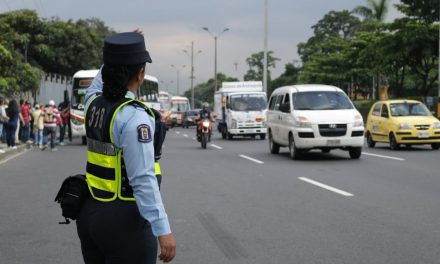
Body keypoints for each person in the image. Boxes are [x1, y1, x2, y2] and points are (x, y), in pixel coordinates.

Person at [76, 31, 176, 264]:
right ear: (140, 74)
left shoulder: (92, 103)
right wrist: (162, 229)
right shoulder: (134, 118)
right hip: (124, 221)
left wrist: (116, 54)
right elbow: (142, 178)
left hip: (90, 212)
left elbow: (99, 83)